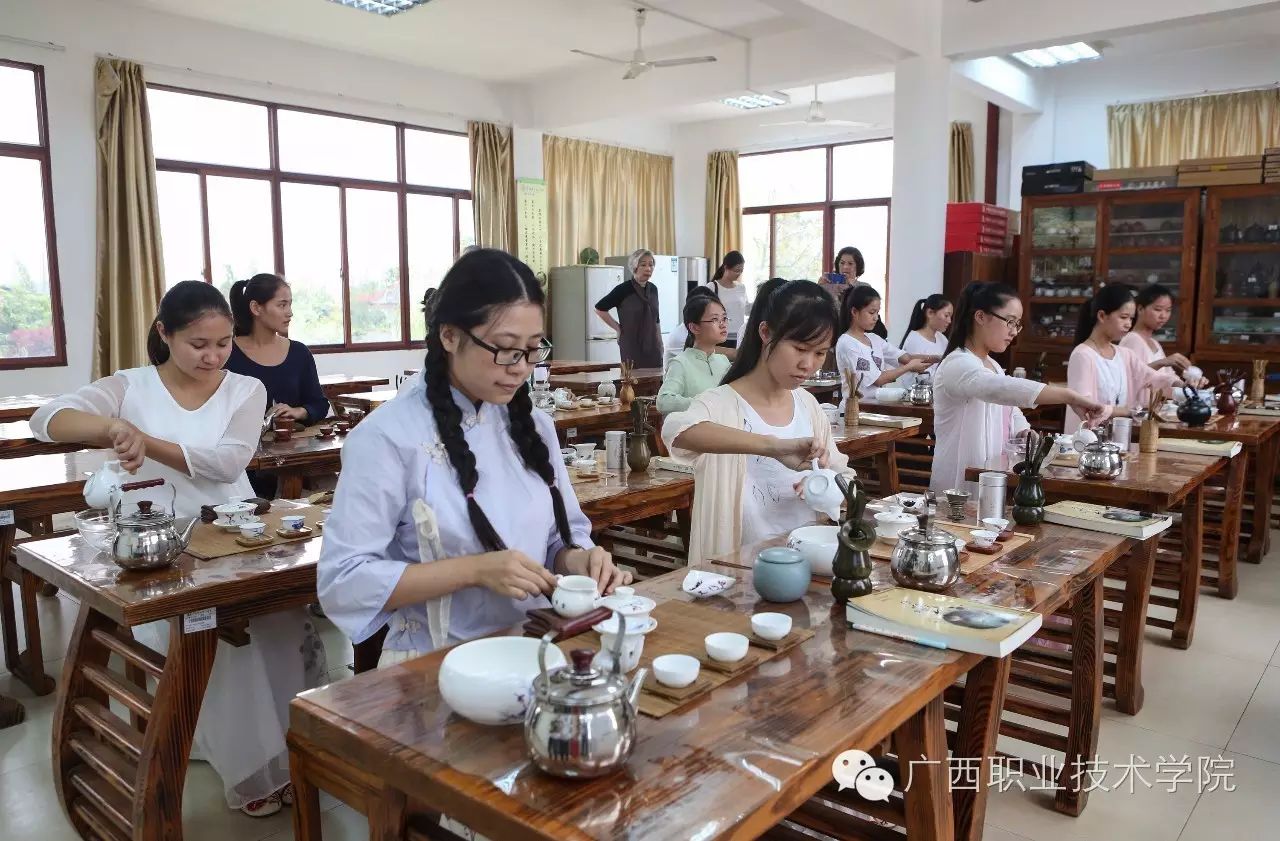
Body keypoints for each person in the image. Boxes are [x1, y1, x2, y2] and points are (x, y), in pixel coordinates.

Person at [30, 281, 324, 817]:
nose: (213, 357)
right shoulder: (130, 385)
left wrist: (145, 441)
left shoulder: (244, 389)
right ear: (164, 334)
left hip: (234, 535)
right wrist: (113, 424)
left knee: (275, 629)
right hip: (166, 548)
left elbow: (226, 464)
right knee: (220, 650)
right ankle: (250, 764)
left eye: (222, 343)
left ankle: (286, 752)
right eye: (198, 345)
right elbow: (46, 420)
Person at [319, 249, 630, 670]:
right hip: (436, 664)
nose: (520, 368)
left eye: (533, 349)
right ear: (450, 336)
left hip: (536, 648)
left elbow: (559, 538)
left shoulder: (532, 424)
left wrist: (580, 560)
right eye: (505, 349)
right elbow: (344, 581)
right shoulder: (389, 438)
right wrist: (475, 570)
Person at [661, 279, 852, 560]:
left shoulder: (808, 405)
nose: (808, 364)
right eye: (800, 348)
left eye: (820, 353)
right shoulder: (722, 403)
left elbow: (845, 479)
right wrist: (772, 447)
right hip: (736, 577)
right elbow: (676, 431)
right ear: (765, 332)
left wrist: (827, 483)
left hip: (807, 569)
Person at [931, 282, 1105, 494]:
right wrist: (1069, 396)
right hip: (957, 485)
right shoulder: (957, 363)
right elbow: (1000, 389)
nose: (1014, 332)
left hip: (992, 479)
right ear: (980, 317)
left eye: (1018, 324)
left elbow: (1010, 410)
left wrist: (1022, 431)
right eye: (1010, 322)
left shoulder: (993, 365)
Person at [224, 273, 330, 497]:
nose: (289, 312)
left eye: (290, 304)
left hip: (288, 459)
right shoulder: (227, 353)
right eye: (282, 304)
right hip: (241, 462)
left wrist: (298, 411)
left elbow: (319, 404)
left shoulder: (299, 352)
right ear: (256, 308)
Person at [1065, 284, 1182, 433]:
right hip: (1087, 442)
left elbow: (1154, 378)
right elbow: (1085, 406)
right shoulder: (1083, 355)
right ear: (1101, 316)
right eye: (1123, 317)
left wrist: (1180, 385)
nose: (1128, 324)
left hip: (1117, 438)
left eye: (1131, 319)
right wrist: (1128, 411)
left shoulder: (1124, 354)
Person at [835, 285, 936, 405]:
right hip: (855, 408)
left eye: (877, 312)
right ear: (854, 312)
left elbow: (906, 358)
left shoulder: (874, 339)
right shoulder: (847, 343)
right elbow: (878, 379)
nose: (876, 317)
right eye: (871, 312)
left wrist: (940, 358)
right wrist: (908, 367)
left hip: (875, 407)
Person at [1119, 283, 1204, 405]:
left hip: (1154, 410)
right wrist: (1162, 362)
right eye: (1157, 309)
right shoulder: (1132, 339)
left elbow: (1169, 378)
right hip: (1137, 411)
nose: (1163, 316)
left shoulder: (1154, 343)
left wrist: (1189, 383)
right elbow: (1131, 377)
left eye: (1168, 310)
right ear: (1140, 309)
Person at [657, 293, 732, 414]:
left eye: (724, 318)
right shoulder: (681, 363)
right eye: (715, 319)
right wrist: (704, 404)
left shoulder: (723, 361)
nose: (722, 324)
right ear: (694, 328)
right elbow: (663, 401)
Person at [594, 248, 663, 368]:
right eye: (643, 265)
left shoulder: (653, 289)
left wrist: (661, 343)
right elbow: (600, 309)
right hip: (631, 345)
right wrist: (618, 328)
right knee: (632, 382)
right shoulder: (623, 290)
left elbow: (656, 319)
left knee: (655, 382)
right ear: (635, 267)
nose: (648, 268)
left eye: (651, 265)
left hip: (653, 346)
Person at [821, 246, 887, 339]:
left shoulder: (864, 287)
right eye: (842, 263)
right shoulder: (830, 286)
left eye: (850, 263)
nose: (845, 267)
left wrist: (851, 287)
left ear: (858, 266)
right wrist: (819, 289)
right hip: (832, 336)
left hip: (856, 337)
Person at [899, 294, 954, 375]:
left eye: (950, 316)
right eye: (946, 315)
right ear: (930, 313)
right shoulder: (914, 340)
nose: (949, 321)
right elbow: (920, 376)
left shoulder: (942, 338)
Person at [706, 251, 750, 347]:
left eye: (741, 271)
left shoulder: (741, 287)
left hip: (739, 336)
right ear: (726, 267)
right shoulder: (712, 287)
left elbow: (746, 309)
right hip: (719, 336)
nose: (739, 274)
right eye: (736, 270)